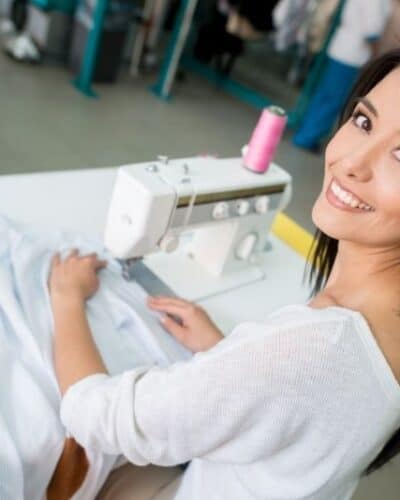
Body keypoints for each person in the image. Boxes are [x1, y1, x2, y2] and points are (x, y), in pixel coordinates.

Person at [48, 49, 400, 499]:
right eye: (364, 121)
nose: (352, 161)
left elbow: (96, 416)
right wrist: (229, 354)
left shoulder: (313, 349)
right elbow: (312, 417)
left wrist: (66, 298)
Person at [293, 0, 391, 151]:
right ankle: (307, 137)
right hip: (351, 55)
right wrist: (378, 56)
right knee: (332, 99)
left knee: (325, 95)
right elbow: (371, 30)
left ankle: (306, 132)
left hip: (340, 46)